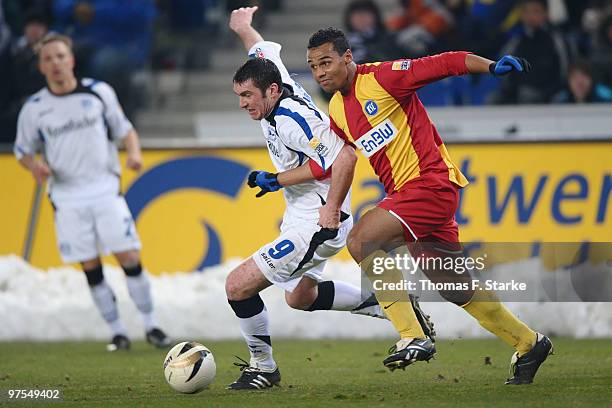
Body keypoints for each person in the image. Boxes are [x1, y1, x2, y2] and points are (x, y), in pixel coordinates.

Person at [306, 27, 553, 385]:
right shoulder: (336, 109)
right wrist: (284, 180)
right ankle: (529, 343)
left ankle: (412, 335)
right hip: (413, 198)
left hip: (429, 185)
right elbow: (342, 159)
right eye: (313, 67)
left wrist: (491, 66)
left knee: (360, 240)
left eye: (326, 62)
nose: (321, 72)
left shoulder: (383, 77)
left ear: (347, 57)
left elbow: (445, 62)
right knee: (455, 287)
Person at [225, 7, 434, 390]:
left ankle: (263, 368)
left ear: (271, 91)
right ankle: (386, 303)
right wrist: (244, 27)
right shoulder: (274, 75)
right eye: (239, 95)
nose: (243, 104)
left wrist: (323, 204)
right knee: (300, 297)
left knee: (237, 286)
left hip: (318, 221)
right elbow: (259, 50)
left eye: (247, 95)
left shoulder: (290, 120)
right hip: (301, 213)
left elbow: (343, 158)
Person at [13, 33, 170, 351]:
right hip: (67, 197)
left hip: (104, 189)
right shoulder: (34, 109)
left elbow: (125, 130)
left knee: (128, 256)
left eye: (60, 56)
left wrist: (134, 154)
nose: (55, 63)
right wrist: (35, 168)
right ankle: (117, 331)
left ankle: (152, 325)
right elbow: (22, 151)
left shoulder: (99, 93)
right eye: (48, 59)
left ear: (70, 59)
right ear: (41, 67)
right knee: (90, 265)